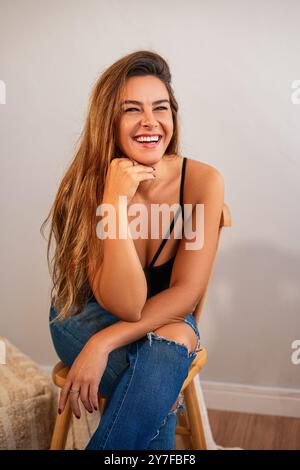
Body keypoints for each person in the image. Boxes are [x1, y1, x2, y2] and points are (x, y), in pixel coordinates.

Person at [41, 50, 224, 450]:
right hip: (83, 314)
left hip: (161, 318)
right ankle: (159, 389)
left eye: (161, 108)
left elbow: (184, 295)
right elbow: (127, 304)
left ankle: (154, 387)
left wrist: (102, 345)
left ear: (173, 117)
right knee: (159, 374)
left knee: (171, 340)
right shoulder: (90, 187)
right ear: (109, 121)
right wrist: (113, 202)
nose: (150, 122)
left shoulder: (201, 182)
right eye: (131, 110)